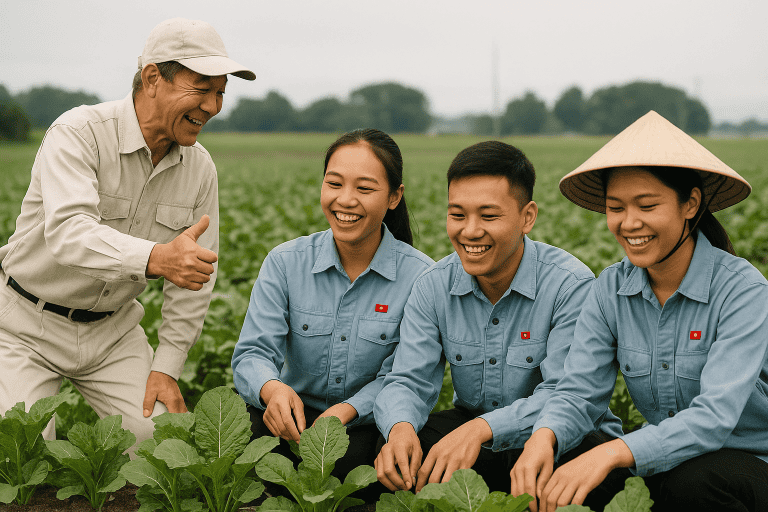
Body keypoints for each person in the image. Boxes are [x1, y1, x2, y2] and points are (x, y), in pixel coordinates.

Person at [0, 18, 255, 446]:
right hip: (25, 324)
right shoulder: (78, 134)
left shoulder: (200, 168)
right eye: (202, 88)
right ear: (153, 77)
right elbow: (69, 233)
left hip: (112, 334)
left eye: (220, 92)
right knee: (21, 451)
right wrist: (156, 258)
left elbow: (195, 278)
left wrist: (167, 366)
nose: (212, 106)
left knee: (160, 445)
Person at [510, 111, 768, 512]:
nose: (629, 223)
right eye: (616, 208)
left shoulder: (743, 291)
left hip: (751, 461)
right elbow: (579, 392)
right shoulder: (610, 288)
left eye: (646, 205)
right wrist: (544, 436)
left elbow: (714, 418)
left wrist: (613, 452)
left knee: (690, 484)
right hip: (670, 456)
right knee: (562, 465)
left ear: (691, 204)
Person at [373, 141, 625, 503]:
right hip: (476, 432)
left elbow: (566, 395)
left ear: (527, 217)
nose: (470, 231)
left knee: (576, 472)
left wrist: (482, 429)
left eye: (488, 216)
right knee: (401, 456)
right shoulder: (433, 286)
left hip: (561, 434)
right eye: (457, 215)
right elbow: (408, 380)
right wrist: (399, 428)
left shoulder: (570, 285)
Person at [231, 129, 434, 487]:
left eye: (365, 189)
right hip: (291, 420)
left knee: (377, 459)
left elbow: (405, 377)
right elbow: (252, 353)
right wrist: (273, 390)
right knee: (239, 430)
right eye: (335, 184)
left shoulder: (422, 277)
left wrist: (345, 412)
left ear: (393, 197)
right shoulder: (285, 262)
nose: (346, 200)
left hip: (366, 423)